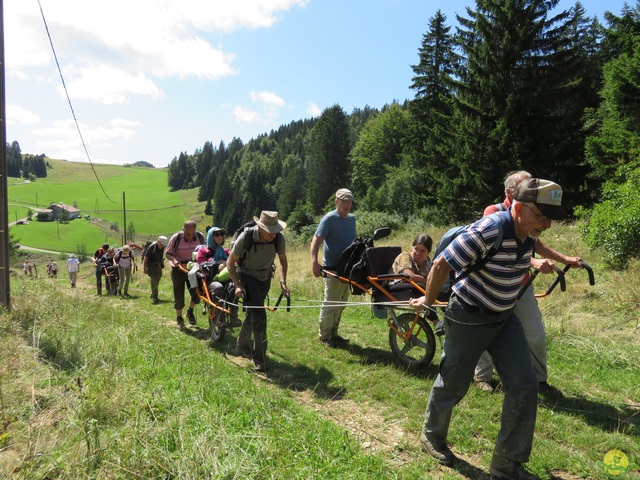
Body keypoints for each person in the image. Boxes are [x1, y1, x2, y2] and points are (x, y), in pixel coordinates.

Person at [409, 178, 568, 480]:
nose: (546, 224)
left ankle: (506, 465)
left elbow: (521, 257)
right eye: (541, 216)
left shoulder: (529, 233)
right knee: (454, 382)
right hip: (468, 316)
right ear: (519, 208)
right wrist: (428, 302)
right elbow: (442, 263)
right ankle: (431, 436)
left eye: (550, 218)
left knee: (525, 384)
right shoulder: (490, 228)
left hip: (505, 319)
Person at [474, 171, 582, 397]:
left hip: (521, 286)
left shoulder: (532, 215)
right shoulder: (493, 213)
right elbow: (499, 250)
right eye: (527, 186)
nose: (533, 190)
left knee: (535, 333)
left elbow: (538, 244)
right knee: (486, 331)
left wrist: (566, 259)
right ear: (510, 192)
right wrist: (532, 262)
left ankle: (540, 380)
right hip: (494, 285)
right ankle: (482, 377)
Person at [227, 211, 289, 372]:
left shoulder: (278, 238)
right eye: (271, 231)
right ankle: (259, 357)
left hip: (265, 276)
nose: (274, 234)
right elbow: (230, 262)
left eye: (276, 230)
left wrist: (283, 281)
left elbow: (282, 260)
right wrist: (237, 285)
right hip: (247, 275)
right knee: (260, 315)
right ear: (261, 228)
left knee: (254, 311)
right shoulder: (246, 237)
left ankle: (241, 345)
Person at [310, 188, 357, 347]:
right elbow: (316, 241)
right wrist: (314, 263)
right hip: (332, 268)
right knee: (330, 303)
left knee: (342, 302)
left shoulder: (352, 219)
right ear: (336, 201)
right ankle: (324, 336)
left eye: (349, 202)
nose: (347, 205)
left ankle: (334, 333)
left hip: (347, 268)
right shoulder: (330, 218)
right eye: (344, 201)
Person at [165, 221, 206, 330]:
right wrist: (174, 260)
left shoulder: (200, 237)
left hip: (193, 269)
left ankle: (190, 311)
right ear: (183, 230)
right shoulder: (176, 238)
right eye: (188, 234)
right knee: (179, 294)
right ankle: (179, 318)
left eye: (192, 234)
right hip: (178, 269)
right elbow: (168, 253)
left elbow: (205, 250)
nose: (190, 236)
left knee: (197, 294)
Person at [143, 236, 167, 305]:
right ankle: (155, 297)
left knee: (158, 279)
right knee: (154, 280)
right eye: (161, 244)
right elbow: (145, 258)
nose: (162, 246)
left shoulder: (162, 247)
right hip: (151, 266)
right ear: (158, 242)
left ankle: (152, 293)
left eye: (163, 245)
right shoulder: (152, 247)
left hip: (158, 265)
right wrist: (144, 269)